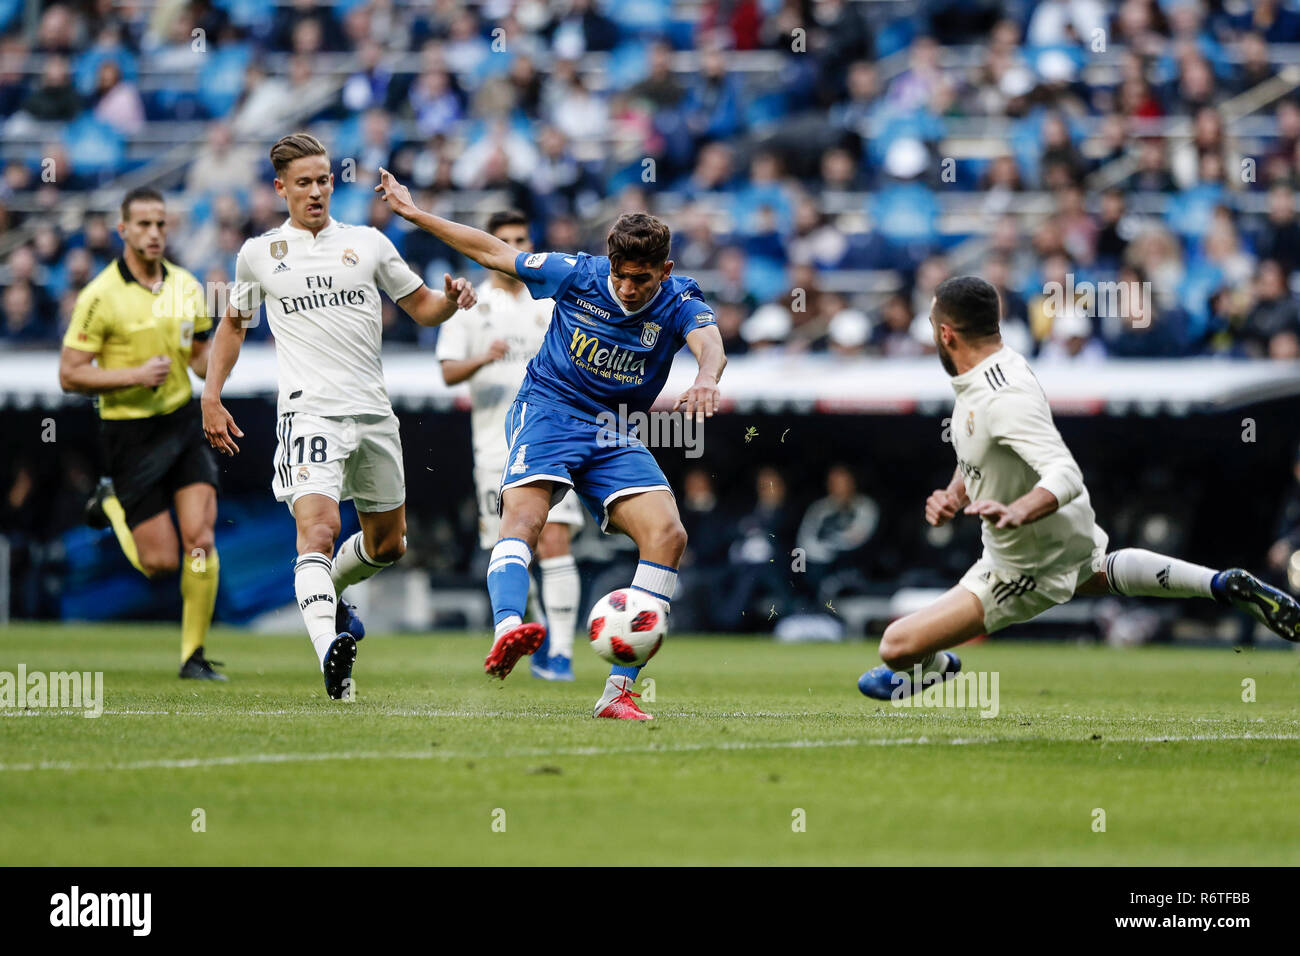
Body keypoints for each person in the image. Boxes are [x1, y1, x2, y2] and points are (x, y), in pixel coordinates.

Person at [374, 167, 726, 720]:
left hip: (613, 431)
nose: (628, 288)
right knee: (526, 524)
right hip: (549, 411)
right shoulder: (576, 274)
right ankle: (510, 629)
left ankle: (618, 693)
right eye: (621, 275)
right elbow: (492, 253)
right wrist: (416, 215)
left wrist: (706, 378)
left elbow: (710, 343)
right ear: (608, 262)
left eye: (642, 277)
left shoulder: (681, 299)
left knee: (668, 533)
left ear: (666, 269)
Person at [858, 276, 1300, 700]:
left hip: (1021, 564)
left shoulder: (1001, 397)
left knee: (897, 646)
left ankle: (937, 669)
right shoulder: (1000, 366)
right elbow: (985, 450)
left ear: (948, 335)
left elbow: (1065, 473)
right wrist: (957, 492)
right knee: (1092, 573)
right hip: (1065, 532)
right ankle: (1221, 584)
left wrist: (1021, 510)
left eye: (934, 327)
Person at [200, 133, 477, 700]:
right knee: (319, 530)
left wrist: (450, 299)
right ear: (281, 188)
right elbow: (234, 324)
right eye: (303, 182)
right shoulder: (259, 254)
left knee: (389, 544)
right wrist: (211, 394)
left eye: (323, 179)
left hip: (373, 412)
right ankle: (331, 649)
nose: (316, 191)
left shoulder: (368, 244)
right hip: (309, 413)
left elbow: (421, 306)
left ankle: (329, 599)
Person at [58, 187, 224, 680]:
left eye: (160, 225)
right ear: (123, 230)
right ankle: (110, 502)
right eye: (144, 225)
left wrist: (224, 343)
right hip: (128, 435)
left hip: (180, 422)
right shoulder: (99, 296)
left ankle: (193, 656)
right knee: (160, 564)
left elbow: (197, 359)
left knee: (201, 538)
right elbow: (70, 374)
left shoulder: (188, 287)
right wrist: (131, 375)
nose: (154, 233)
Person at [436, 210, 585, 681]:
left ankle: (560, 654)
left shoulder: (549, 302)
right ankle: (538, 632)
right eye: (505, 240)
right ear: (488, 248)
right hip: (493, 448)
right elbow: (446, 372)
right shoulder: (471, 307)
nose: (514, 247)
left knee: (555, 540)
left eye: (522, 238)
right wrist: (484, 357)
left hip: (550, 437)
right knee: (515, 545)